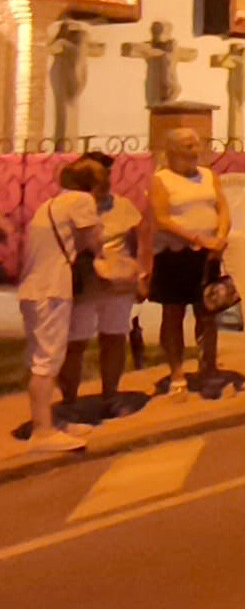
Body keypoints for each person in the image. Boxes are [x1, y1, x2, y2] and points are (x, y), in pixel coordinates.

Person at [21, 159, 103, 451]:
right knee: (47, 360)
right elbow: (92, 241)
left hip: (34, 287)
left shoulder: (51, 204)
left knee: (42, 357)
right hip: (52, 289)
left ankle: (51, 421)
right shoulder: (82, 201)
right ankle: (42, 431)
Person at [59, 153, 144, 416]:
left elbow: (141, 241)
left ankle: (111, 396)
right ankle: (70, 402)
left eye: (108, 172)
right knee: (76, 343)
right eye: (101, 175)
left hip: (117, 285)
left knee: (114, 338)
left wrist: (141, 276)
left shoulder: (123, 206)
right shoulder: (68, 207)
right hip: (83, 285)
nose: (107, 179)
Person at [149, 129, 231, 398]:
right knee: (173, 315)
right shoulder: (162, 179)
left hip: (207, 255)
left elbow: (222, 208)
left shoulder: (208, 176)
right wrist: (196, 238)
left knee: (207, 313)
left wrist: (219, 237)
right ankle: (176, 372)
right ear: (172, 149)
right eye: (187, 145)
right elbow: (162, 218)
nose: (194, 149)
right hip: (175, 254)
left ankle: (208, 367)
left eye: (196, 144)